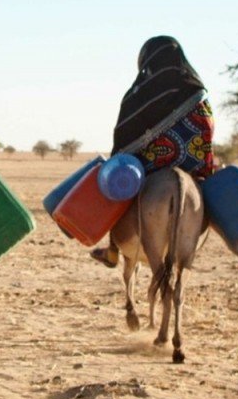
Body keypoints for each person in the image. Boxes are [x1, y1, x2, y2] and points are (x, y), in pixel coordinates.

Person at [91, 36, 215, 268]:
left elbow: (123, 135)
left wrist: (120, 157)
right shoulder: (198, 90)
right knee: (212, 192)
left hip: (150, 164)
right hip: (194, 164)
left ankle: (113, 249)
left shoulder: (139, 93)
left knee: (117, 184)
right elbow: (207, 131)